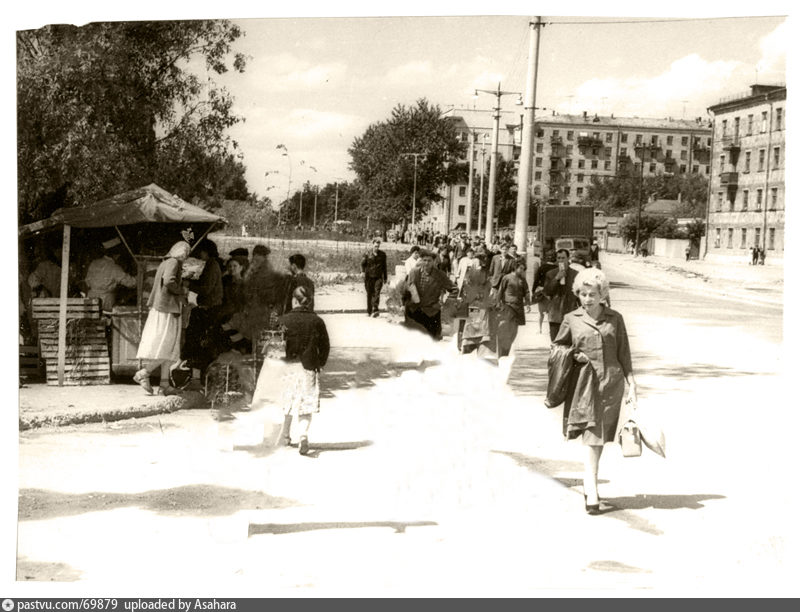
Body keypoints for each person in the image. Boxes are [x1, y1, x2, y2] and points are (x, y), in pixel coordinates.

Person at [551, 267, 637, 513]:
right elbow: (557, 349)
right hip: (584, 385)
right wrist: (573, 354)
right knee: (592, 433)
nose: (587, 299)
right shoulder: (571, 319)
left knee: (600, 436)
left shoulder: (615, 319)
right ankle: (592, 487)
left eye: (592, 294)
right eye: (583, 293)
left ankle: (591, 484)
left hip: (611, 383)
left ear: (602, 294)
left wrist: (632, 384)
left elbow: (624, 353)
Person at [277, 286, 330, 456]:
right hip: (308, 366)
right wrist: (319, 363)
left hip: (289, 366)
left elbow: (276, 345)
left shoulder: (283, 320)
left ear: (294, 300)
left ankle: (285, 436)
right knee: (305, 404)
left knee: (288, 401)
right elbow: (325, 346)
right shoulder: (317, 321)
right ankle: (303, 436)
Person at [133, 241, 190, 396]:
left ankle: (164, 385)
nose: (186, 255)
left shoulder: (166, 262)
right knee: (167, 346)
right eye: (185, 252)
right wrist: (182, 292)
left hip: (163, 308)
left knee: (168, 348)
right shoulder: (173, 262)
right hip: (167, 309)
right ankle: (144, 373)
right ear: (179, 252)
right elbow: (169, 281)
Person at [183, 239, 224, 374]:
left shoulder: (212, 265)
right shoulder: (211, 264)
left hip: (210, 307)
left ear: (205, 252)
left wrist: (190, 286)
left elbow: (206, 289)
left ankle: (196, 369)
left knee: (198, 338)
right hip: (209, 306)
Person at [404, 249, 457, 340]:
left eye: (429, 261)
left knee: (432, 341)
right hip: (415, 311)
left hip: (432, 312)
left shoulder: (440, 275)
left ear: (434, 262)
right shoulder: (414, 272)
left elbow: (454, 289)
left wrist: (445, 301)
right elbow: (407, 289)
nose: (427, 263)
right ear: (420, 260)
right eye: (424, 260)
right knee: (413, 340)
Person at [84, 237, 137, 312]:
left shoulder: (94, 263)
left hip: (90, 299)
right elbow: (132, 283)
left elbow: (87, 282)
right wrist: (142, 276)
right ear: (117, 255)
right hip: (105, 302)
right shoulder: (114, 267)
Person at [543, 249, 580, 342]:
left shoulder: (576, 274)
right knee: (555, 344)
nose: (561, 260)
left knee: (571, 344)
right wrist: (556, 279)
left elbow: (579, 295)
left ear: (568, 259)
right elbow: (547, 291)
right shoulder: (550, 274)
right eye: (559, 258)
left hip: (571, 314)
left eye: (563, 258)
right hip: (555, 316)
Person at [496, 260, 530, 357]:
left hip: (518, 308)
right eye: (521, 268)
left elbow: (526, 292)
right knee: (504, 331)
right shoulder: (506, 278)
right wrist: (498, 304)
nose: (522, 271)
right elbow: (500, 291)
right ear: (515, 267)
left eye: (523, 269)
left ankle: (505, 352)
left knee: (514, 333)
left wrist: (527, 303)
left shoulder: (522, 279)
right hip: (508, 307)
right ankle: (501, 354)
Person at [361, 237, 387, 318]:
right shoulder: (367, 254)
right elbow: (362, 264)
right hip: (369, 277)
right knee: (369, 294)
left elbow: (384, 267)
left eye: (378, 246)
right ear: (372, 245)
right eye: (375, 246)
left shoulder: (382, 255)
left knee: (377, 292)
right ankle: (369, 311)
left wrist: (385, 277)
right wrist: (362, 272)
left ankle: (375, 309)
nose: (376, 248)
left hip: (378, 277)